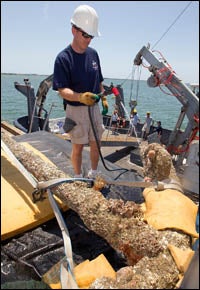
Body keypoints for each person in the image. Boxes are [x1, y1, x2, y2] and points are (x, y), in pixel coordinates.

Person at [52, 4, 108, 179]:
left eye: (91, 36)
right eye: (85, 35)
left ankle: (93, 172)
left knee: (95, 142)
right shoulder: (63, 58)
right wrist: (80, 97)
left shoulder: (94, 54)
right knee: (77, 146)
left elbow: (99, 79)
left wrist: (103, 97)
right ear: (74, 30)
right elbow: (62, 90)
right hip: (75, 110)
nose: (89, 39)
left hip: (95, 109)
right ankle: (77, 176)